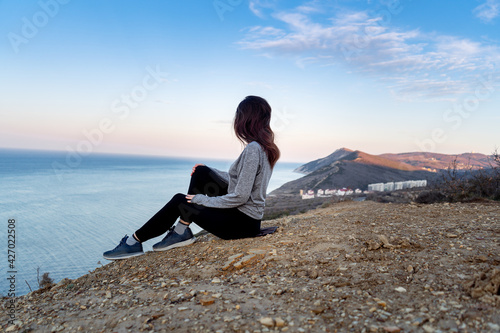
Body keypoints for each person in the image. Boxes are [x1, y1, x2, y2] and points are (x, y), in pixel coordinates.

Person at [103, 96, 280, 260]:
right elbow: (241, 179)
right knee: (201, 172)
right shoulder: (264, 148)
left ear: (246, 119)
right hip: (247, 221)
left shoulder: (253, 149)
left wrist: (200, 200)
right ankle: (181, 230)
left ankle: (133, 243)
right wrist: (208, 170)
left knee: (181, 201)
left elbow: (240, 195)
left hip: (240, 224)